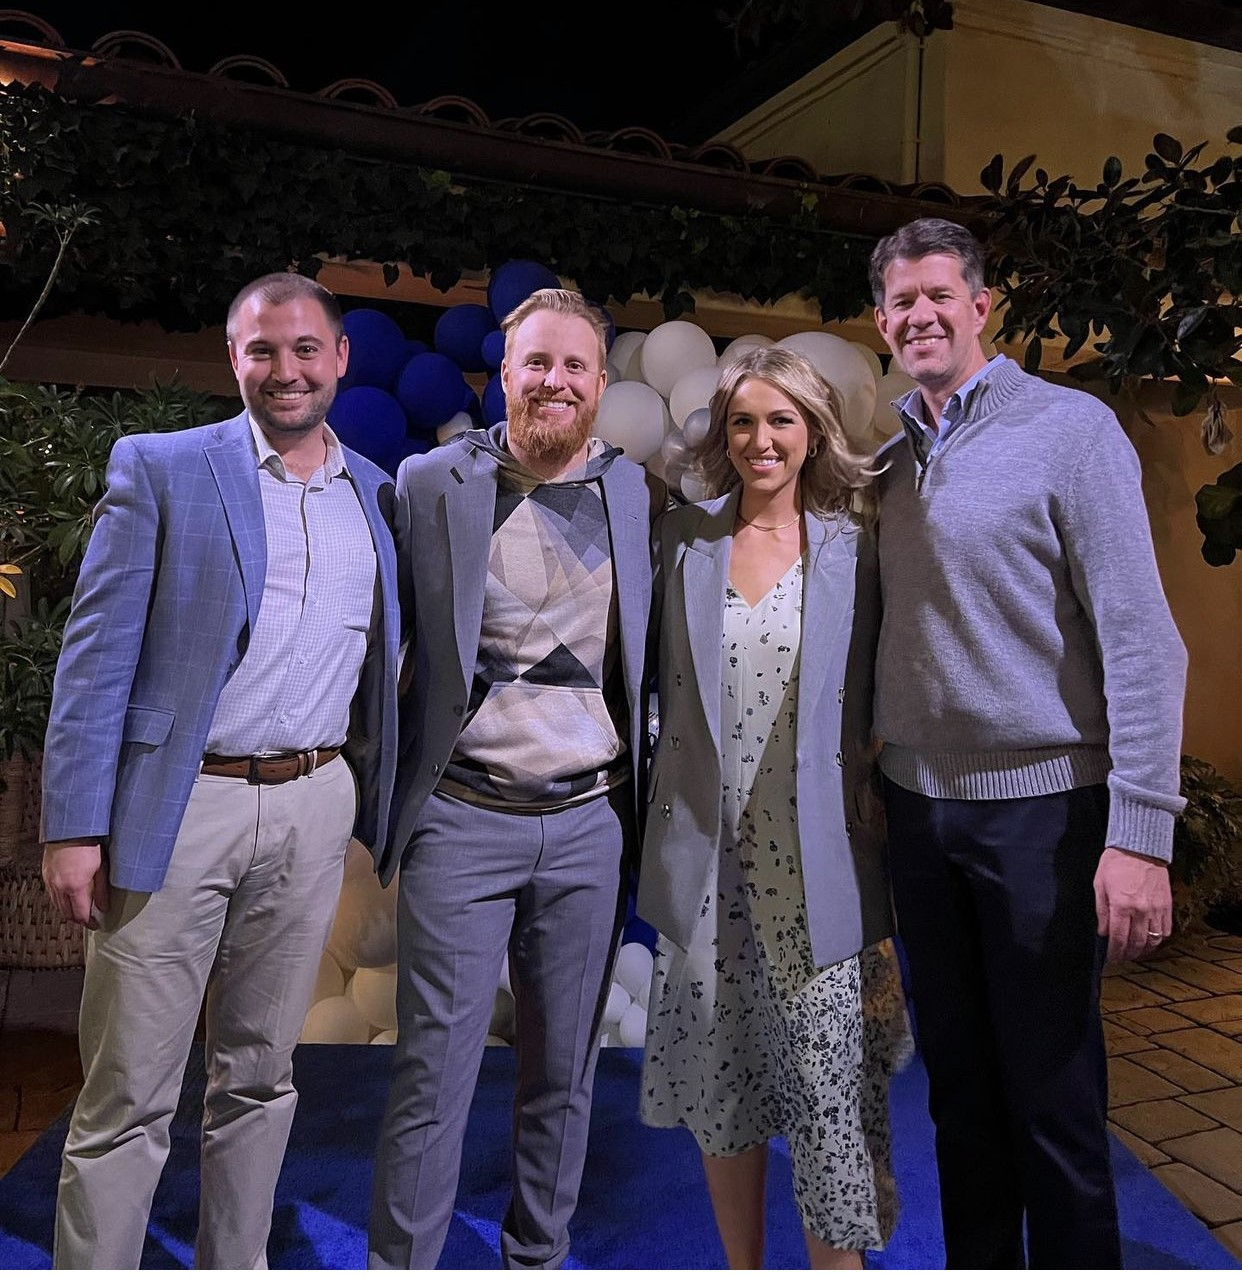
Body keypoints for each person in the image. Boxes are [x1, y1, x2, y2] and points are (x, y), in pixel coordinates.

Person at [39, 271, 401, 1269]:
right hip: (175, 804)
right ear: (233, 359)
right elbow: (94, 653)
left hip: (314, 802)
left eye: (303, 350)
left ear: (339, 358)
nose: (284, 371)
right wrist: (73, 824)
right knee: (130, 1092)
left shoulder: (376, 492)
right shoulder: (163, 466)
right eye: (260, 351)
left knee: (260, 1077)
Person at [868, 216, 1188, 1268]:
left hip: (1043, 814)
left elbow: (1142, 641)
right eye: (900, 300)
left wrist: (1142, 833)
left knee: (1052, 1094)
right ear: (880, 321)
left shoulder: (1071, 429)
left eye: (937, 294)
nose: (919, 313)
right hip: (921, 816)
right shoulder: (885, 467)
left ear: (980, 304)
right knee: (958, 1094)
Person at [367, 287, 664, 1269]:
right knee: (432, 1077)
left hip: (588, 824)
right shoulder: (432, 482)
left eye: (575, 365)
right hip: (462, 819)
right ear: (502, 372)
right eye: (537, 361)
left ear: (601, 383)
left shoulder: (631, 491)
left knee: (562, 1078)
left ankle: (535, 1255)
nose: (555, 380)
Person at [637, 345, 913, 1270]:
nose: (761, 439)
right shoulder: (684, 536)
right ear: (724, 433)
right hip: (707, 876)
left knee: (831, 1104)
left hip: (820, 873)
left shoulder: (855, 546)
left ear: (814, 431)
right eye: (744, 421)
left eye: (781, 419)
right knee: (724, 1097)